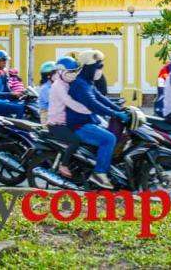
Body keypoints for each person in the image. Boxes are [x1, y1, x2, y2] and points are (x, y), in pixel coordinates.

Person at [66, 50, 130, 189]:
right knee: (109, 138)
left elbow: (101, 98)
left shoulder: (87, 83)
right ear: (88, 67)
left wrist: (120, 110)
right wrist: (115, 113)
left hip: (89, 121)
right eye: (98, 67)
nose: (100, 70)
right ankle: (99, 173)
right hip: (79, 125)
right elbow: (93, 104)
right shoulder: (79, 85)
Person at [45, 57, 83, 179]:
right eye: (69, 72)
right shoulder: (58, 86)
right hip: (56, 124)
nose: (71, 75)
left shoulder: (66, 83)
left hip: (65, 122)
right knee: (75, 141)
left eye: (73, 72)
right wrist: (86, 110)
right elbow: (69, 102)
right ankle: (64, 165)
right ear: (61, 71)